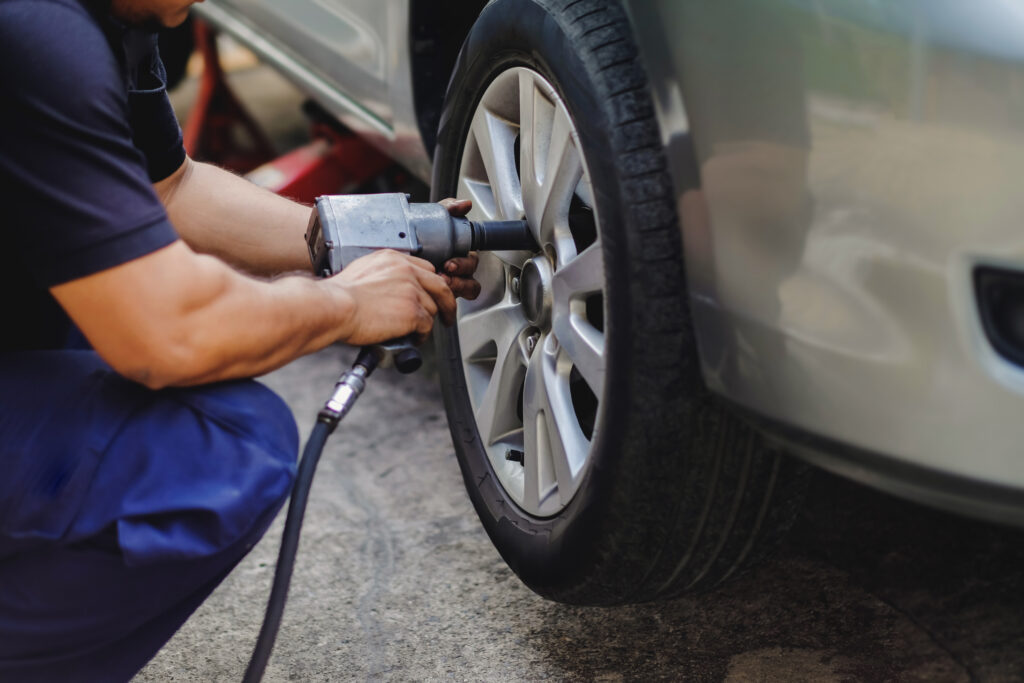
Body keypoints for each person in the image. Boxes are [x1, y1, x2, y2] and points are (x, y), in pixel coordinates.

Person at [0, 0, 479, 679]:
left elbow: (169, 189)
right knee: (226, 447)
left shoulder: (116, 21)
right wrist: (345, 304)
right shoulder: (36, 33)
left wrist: (352, 239)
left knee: (89, 305)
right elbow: (167, 334)